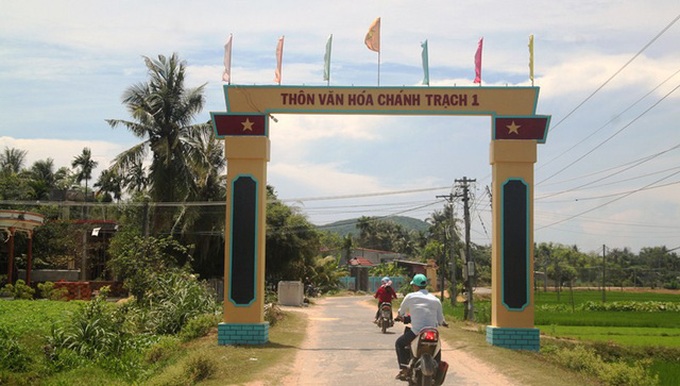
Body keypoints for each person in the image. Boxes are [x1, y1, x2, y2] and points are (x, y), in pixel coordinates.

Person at [394, 273, 447, 381]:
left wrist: (400, 316)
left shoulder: (410, 297)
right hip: (433, 332)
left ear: (415, 286)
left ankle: (404, 369)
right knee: (437, 349)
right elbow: (441, 319)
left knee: (399, 343)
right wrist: (443, 323)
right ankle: (437, 374)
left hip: (417, 332)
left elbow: (401, 312)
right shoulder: (435, 300)